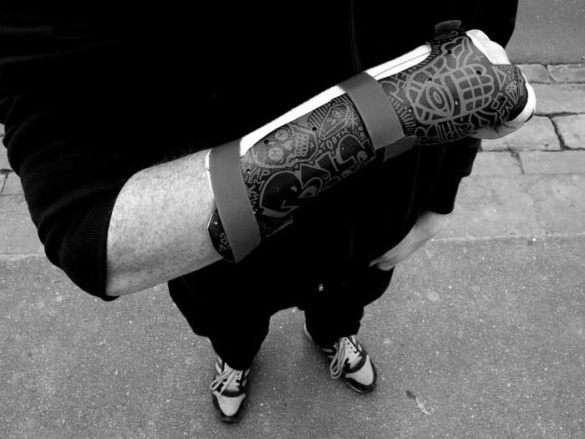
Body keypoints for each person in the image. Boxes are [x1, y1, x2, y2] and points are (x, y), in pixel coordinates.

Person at [0, 1, 526, 423]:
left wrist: (440, 197)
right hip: (232, 257)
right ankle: (235, 360)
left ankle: (334, 335)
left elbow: (481, 56)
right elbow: (88, 228)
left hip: (379, 222)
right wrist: (394, 108)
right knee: (233, 325)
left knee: (347, 304)